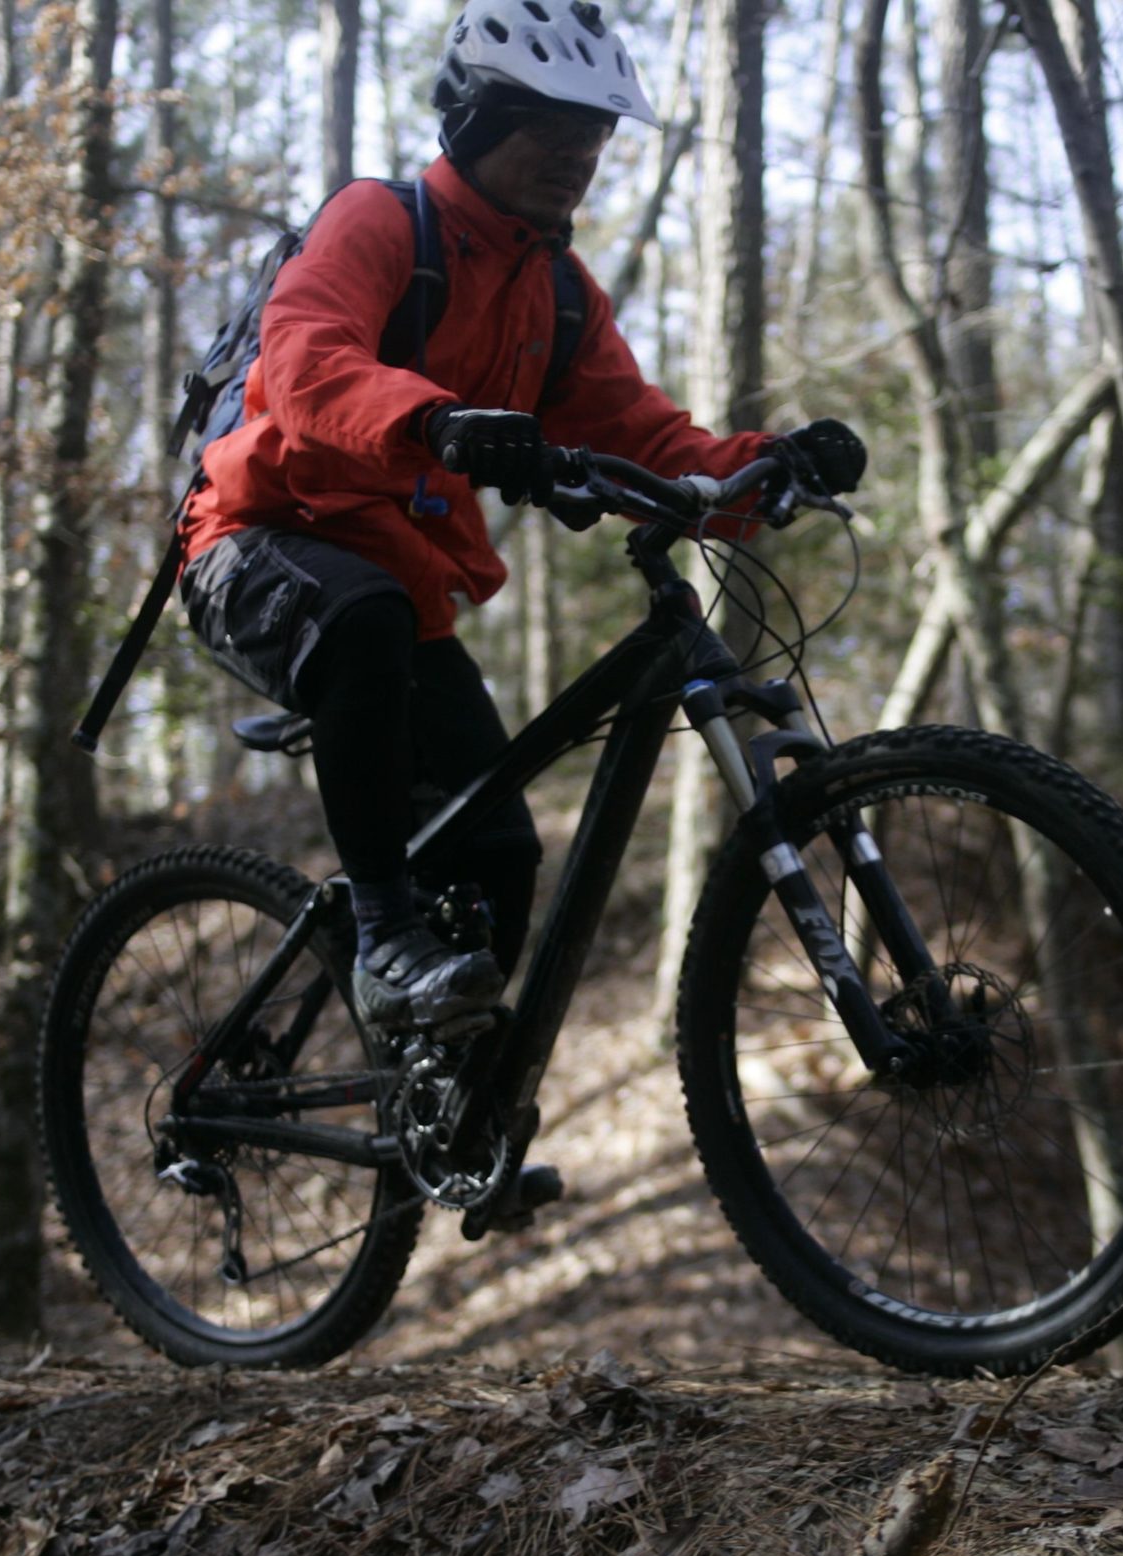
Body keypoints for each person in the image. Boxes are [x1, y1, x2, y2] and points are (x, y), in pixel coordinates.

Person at [177, 0, 866, 1037]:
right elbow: (309, 369)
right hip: (249, 541)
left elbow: (637, 429)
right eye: (551, 125)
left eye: (594, 131)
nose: (578, 153)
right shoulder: (378, 221)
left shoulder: (557, 292)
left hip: (399, 586)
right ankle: (380, 939)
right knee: (358, 619)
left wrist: (760, 467)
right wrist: (442, 422)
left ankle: (448, 1099)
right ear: (479, 117)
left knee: (499, 847)